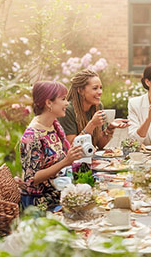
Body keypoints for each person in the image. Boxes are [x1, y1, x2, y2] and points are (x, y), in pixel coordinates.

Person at [20, 81, 83, 209]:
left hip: (56, 191)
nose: (67, 103)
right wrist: (66, 161)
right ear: (49, 103)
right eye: (63, 99)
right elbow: (31, 179)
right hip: (39, 203)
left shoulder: (53, 125)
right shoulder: (32, 136)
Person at [58, 69, 129, 150]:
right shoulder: (68, 110)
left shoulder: (97, 107)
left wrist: (110, 129)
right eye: (95, 88)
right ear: (81, 90)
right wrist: (92, 124)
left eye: (101, 88)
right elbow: (71, 147)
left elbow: (100, 144)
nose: (100, 92)